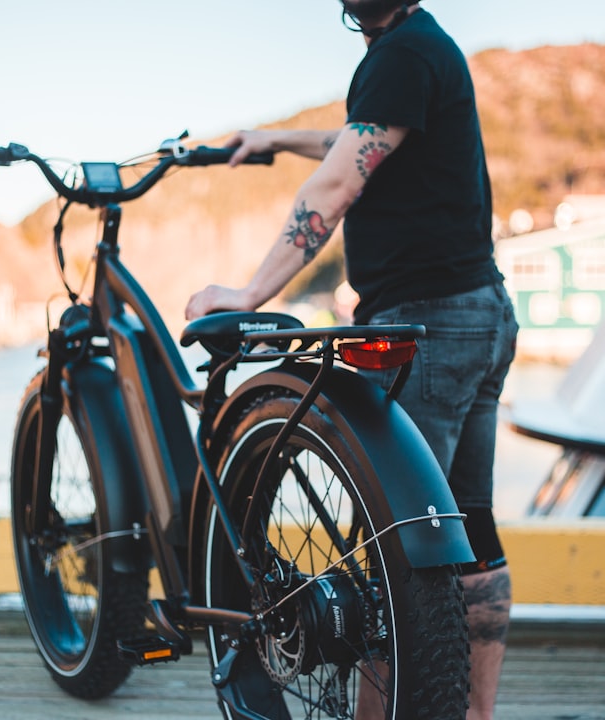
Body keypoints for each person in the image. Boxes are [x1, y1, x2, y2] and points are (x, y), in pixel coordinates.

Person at [185, 2, 517, 718]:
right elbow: (359, 140)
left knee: (394, 554)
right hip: (479, 313)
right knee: (470, 532)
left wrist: (246, 293)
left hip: (425, 320)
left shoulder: (401, 54)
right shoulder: (422, 51)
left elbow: (337, 185)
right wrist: (279, 137)